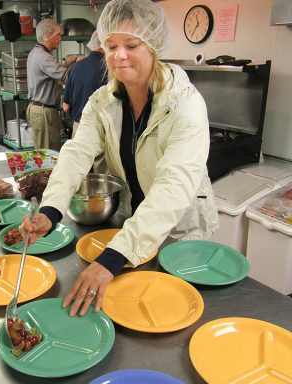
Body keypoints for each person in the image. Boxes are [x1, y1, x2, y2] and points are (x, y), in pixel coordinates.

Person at [20, 0, 219, 317]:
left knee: (172, 315)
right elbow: (76, 153)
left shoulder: (185, 103)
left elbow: (174, 184)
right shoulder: (103, 101)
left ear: (153, 46)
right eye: (111, 45)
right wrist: (51, 208)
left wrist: (113, 258)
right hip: (128, 225)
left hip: (177, 232)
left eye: (131, 44)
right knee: (127, 310)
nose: (118, 54)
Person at [26, 19, 77, 151]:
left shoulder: (35, 53)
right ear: (48, 35)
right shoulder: (44, 57)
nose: (60, 38)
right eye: (58, 35)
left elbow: (53, 76)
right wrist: (82, 65)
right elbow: (68, 78)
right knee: (49, 154)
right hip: (44, 112)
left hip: (37, 109)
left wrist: (66, 64)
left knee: (43, 152)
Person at [62, 31, 107, 137]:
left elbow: (65, 107)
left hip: (79, 129)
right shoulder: (109, 68)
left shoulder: (74, 68)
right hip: (101, 129)